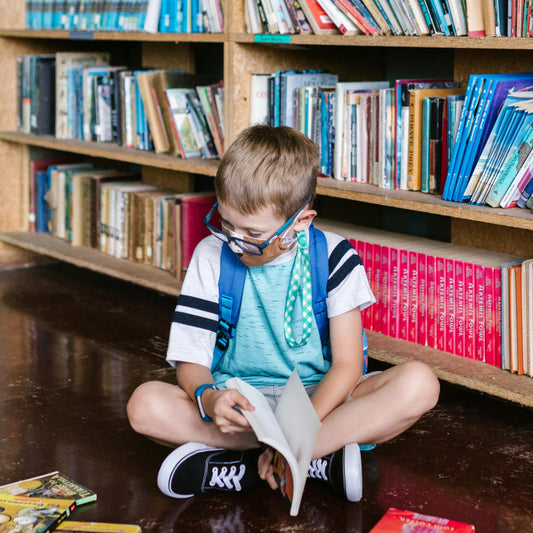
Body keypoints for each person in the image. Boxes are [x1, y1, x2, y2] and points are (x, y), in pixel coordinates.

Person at [127, 125, 440, 502]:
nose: (235, 241)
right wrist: (210, 399)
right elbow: (190, 362)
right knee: (144, 406)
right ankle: (304, 460)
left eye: (253, 233)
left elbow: (347, 366)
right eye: (226, 223)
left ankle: (278, 454)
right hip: (241, 404)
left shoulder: (335, 255)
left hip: (320, 400)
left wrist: (298, 428)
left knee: (420, 384)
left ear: (301, 222)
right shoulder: (211, 256)